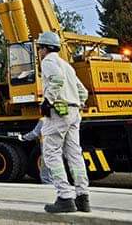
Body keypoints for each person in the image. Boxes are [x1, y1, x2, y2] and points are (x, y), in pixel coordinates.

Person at [36, 31, 90, 213]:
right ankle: (83, 197)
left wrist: (47, 101)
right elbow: (83, 91)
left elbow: (56, 80)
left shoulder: (48, 61)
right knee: (75, 154)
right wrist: (78, 103)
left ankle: (65, 197)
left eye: (39, 48)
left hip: (58, 113)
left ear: (44, 48)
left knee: (51, 153)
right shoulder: (67, 66)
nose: (39, 52)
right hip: (74, 112)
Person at [21, 119, 52, 185]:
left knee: (45, 163)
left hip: (46, 143)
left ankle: (47, 182)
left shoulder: (43, 120)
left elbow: (35, 133)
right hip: (57, 143)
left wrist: (24, 137)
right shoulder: (58, 119)